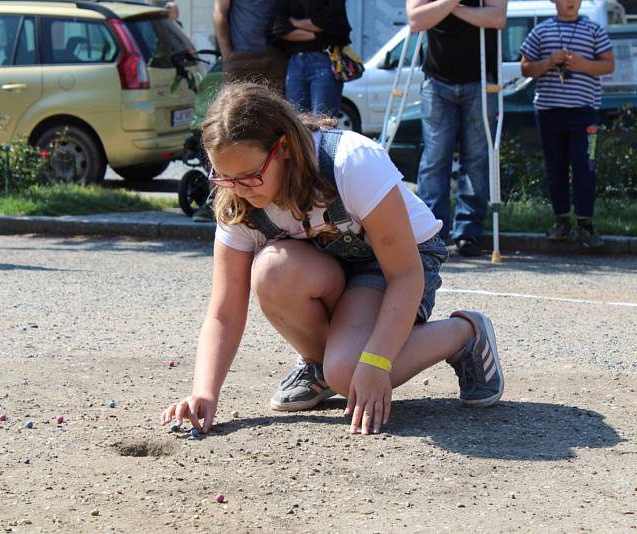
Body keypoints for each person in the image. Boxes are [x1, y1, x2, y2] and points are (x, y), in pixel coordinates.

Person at [159, 83, 504, 436]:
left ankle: (465, 333)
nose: (238, 189)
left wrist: (376, 362)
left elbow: (404, 274)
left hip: (396, 264)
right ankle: (321, 364)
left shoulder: (350, 162)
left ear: (285, 148)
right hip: (331, 266)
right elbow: (224, 311)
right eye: (224, 177)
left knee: (350, 371)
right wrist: (204, 391)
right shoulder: (236, 197)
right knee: (272, 272)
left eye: (249, 177)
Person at [406, 0, 507, 257]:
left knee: (476, 158)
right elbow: (416, 19)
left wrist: (447, 9)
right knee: (435, 158)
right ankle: (431, 232)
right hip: (437, 80)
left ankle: (468, 232)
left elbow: (497, 17)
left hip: (481, 79)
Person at [520, 0, 614, 249]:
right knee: (555, 167)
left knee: (586, 166)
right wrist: (549, 62)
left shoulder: (594, 30)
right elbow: (525, 67)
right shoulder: (541, 30)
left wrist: (584, 65)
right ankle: (561, 220)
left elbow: (608, 64)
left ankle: (586, 222)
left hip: (585, 112)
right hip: (550, 111)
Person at [193, 0, 288, 224]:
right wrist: (228, 54)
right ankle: (219, 203)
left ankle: (276, 205)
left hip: (277, 56)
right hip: (242, 56)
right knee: (228, 132)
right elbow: (220, 11)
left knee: (271, 132)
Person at [271, 0, 352, 117]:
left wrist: (295, 23)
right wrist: (321, 35)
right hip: (295, 62)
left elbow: (331, 21)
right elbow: (279, 28)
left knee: (324, 123)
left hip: (324, 59)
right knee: (298, 122)